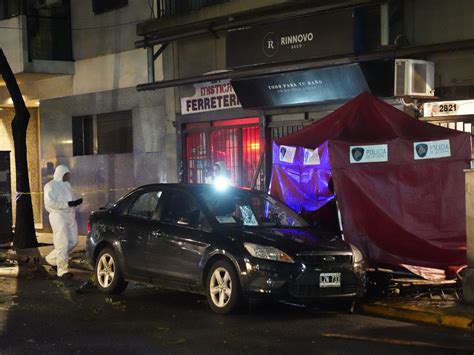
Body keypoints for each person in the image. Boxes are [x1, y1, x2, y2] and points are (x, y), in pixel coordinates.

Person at [44, 165, 83, 278]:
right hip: (58, 216)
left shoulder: (67, 185)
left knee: (73, 241)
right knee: (62, 243)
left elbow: (69, 200)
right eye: (66, 174)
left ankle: (51, 259)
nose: (68, 176)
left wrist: (74, 203)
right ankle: (62, 270)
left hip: (69, 216)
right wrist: (68, 204)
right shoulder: (50, 186)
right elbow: (50, 204)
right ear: (60, 174)